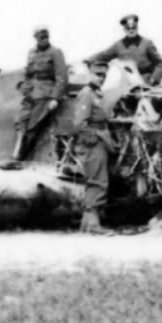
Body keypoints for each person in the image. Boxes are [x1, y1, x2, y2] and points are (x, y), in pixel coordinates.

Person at [7, 25, 67, 166]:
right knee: (21, 122)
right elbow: (27, 74)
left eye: (46, 37)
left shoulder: (55, 52)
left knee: (33, 125)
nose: (44, 40)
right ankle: (15, 156)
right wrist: (25, 87)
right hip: (31, 93)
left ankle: (19, 159)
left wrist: (55, 98)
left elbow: (62, 77)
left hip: (45, 94)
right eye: (41, 37)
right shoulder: (31, 53)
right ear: (36, 38)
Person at [72, 60, 115, 235]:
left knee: (96, 180)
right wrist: (94, 139)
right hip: (92, 142)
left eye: (104, 75)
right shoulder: (86, 94)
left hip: (100, 139)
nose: (101, 78)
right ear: (89, 75)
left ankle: (87, 224)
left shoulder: (98, 94)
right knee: (98, 181)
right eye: (98, 75)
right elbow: (79, 124)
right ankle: (93, 225)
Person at [86, 14, 162, 86]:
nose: (131, 30)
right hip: (126, 83)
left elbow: (160, 63)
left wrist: (154, 79)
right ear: (124, 29)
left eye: (133, 28)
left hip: (145, 82)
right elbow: (104, 55)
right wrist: (88, 61)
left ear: (137, 28)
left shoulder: (147, 43)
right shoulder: (118, 45)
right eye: (128, 28)